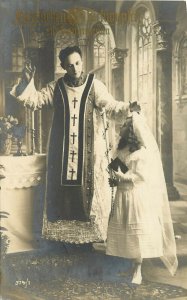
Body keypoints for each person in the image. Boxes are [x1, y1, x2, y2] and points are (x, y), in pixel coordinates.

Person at [10, 46, 138, 244]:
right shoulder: (56, 87)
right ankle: (64, 238)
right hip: (61, 151)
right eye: (70, 66)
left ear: (82, 62)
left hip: (89, 151)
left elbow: (110, 106)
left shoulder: (94, 85)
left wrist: (127, 107)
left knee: (88, 190)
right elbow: (35, 100)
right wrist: (27, 81)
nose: (75, 69)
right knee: (62, 193)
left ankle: (89, 237)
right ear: (63, 67)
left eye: (77, 63)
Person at [106, 111, 178, 284]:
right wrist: (113, 177)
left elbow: (141, 177)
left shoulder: (142, 153)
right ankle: (129, 266)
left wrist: (121, 177)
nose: (120, 127)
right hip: (122, 195)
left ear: (131, 130)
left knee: (136, 234)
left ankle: (138, 269)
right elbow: (118, 168)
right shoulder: (121, 149)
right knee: (124, 233)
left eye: (124, 125)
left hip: (135, 196)